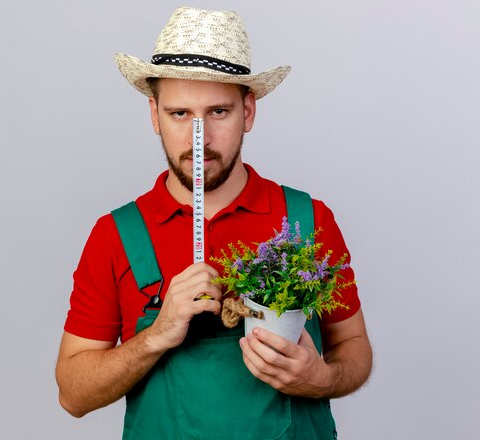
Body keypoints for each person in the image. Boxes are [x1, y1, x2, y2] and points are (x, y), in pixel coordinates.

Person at [56, 6, 372, 439]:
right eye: (180, 114)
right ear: (154, 115)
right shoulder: (117, 236)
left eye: (218, 112)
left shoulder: (307, 220)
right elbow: (73, 395)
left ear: (249, 111)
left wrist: (321, 379)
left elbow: (354, 350)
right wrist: (156, 335)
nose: (197, 136)